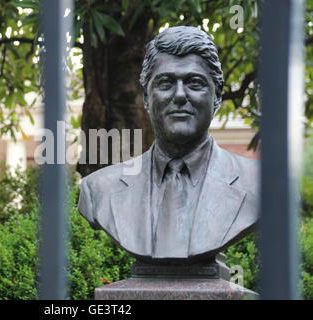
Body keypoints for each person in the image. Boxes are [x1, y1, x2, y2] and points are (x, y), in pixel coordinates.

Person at [78, 26, 259, 264]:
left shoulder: (263, 185)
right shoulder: (98, 190)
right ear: (146, 98)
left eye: (194, 83)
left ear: (216, 97)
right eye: (165, 83)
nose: (180, 95)